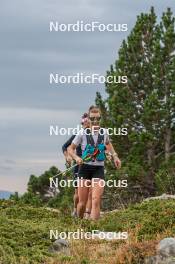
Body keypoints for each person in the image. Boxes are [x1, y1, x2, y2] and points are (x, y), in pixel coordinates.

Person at [68, 105, 121, 220]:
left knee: (96, 200)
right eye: (92, 119)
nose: (95, 121)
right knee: (81, 203)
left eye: (98, 118)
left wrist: (115, 156)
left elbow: (108, 144)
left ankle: (93, 230)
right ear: (89, 119)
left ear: (100, 118)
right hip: (84, 168)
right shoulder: (82, 133)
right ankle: (79, 222)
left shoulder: (104, 132)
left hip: (98, 169)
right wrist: (76, 158)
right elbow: (70, 149)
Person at [62, 113, 91, 217]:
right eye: (84, 123)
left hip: (91, 165)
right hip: (78, 165)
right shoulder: (77, 135)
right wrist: (68, 157)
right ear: (81, 124)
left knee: (90, 190)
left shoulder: (95, 135)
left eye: (88, 123)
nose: (85, 126)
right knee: (78, 194)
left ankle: (87, 213)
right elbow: (65, 147)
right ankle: (75, 209)